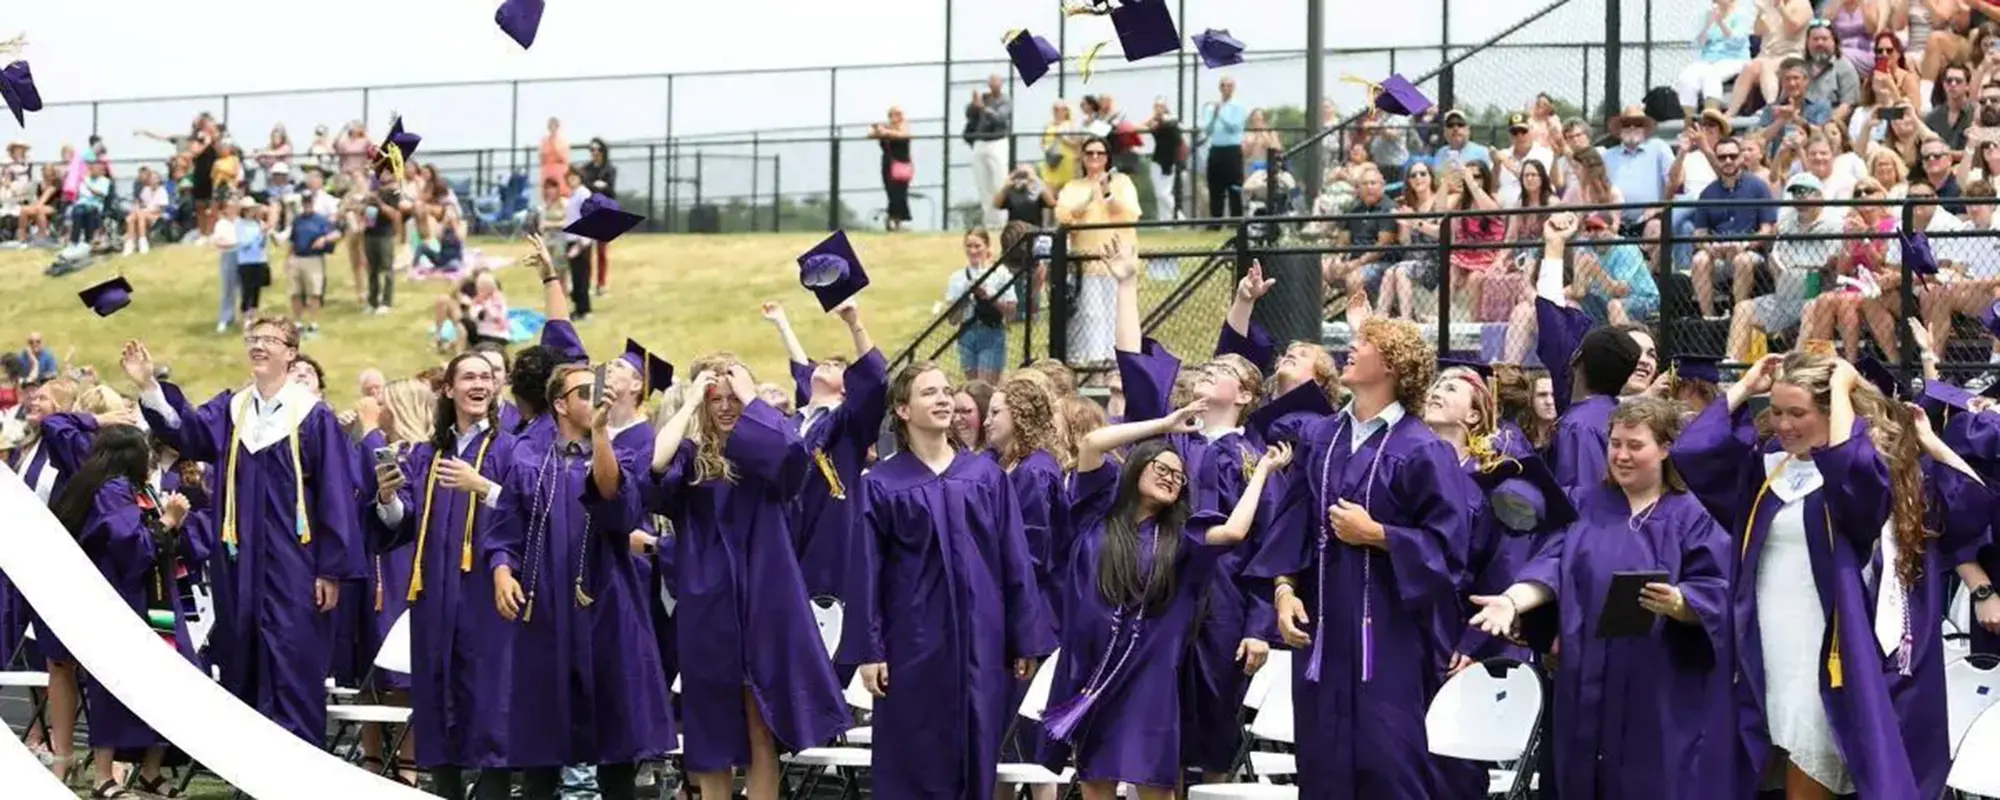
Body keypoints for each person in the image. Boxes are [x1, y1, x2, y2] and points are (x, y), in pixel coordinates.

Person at [1245, 316, 1484, 797]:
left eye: (1363, 343)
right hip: (1322, 638)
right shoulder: (1320, 438)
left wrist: (1380, 535)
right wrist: (1284, 590)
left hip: (1390, 640)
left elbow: (1449, 550)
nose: (1350, 349)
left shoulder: (1422, 449)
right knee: (1322, 766)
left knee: (1389, 764)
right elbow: (1292, 523)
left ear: (1393, 365)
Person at [1673, 351, 1929, 798]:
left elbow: (1851, 469)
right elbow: (1693, 453)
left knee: (1810, 764)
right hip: (1765, 645)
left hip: (1825, 651)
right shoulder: (1770, 469)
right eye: (1776, 411)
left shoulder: (1857, 475)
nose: (1784, 425)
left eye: (1798, 413)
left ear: (1829, 413)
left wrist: (1843, 391)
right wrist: (1747, 387)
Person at [1467, 397, 1733, 799]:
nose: (1621, 455)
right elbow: (1552, 564)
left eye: (1635, 445)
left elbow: (1717, 588)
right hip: (1584, 677)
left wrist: (1680, 602)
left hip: (1658, 684)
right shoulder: (1583, 504)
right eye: (1615, 443)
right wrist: (1512, 601)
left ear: (1665, 448)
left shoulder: (1691, 515)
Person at [121, 319, 363, 747]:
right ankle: (253, 766)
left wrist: (331, 570)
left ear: (291, 353)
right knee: (243, 650)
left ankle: (298, 768)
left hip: (296, 561)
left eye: (270, 340)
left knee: (291, 654)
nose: (258, 346)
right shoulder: (232, 409)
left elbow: (336, 497)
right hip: (239, 557)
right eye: (254, 339)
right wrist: (149, 388)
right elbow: (189, 434)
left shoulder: (313, 415)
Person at [646, 357, 848, 800]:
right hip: (708, 608)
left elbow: (793, 454)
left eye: (733, 398)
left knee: (761, 728)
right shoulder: (691, 460)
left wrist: (753, 397)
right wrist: (691, 399)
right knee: (710, 738)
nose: (725, 407)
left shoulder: (762, 459)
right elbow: (654, 465)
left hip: (762, 601)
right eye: (716, 399)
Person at [856, 361, 1055, 799]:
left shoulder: (984, 477)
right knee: (914, 754)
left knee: (977, 748)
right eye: (929, 393)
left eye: (947, 391)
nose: (944, 399)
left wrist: (1024, 637)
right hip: (913, 642)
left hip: (982, 642)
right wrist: (870, 650)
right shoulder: (882, 484)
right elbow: (866, 571)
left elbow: (1014, 560)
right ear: (903, 410)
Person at [479, 363, 668, 800]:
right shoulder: (528, 461)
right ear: (560, 404)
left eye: (599, 389)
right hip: (545, 611)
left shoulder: (618, 455)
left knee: (616, 750)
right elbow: (506, 532)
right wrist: (502, 571)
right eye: (585, 392)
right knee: (541, 751)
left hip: (608, 608)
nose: (596, 397)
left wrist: (601, 433)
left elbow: (616, 507)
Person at [50, 422, 212, 799]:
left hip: (157, 607)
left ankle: (151, 772)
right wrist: (169, 520)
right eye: (144, 448)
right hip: (123, 607)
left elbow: (164, 542)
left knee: (173, 684)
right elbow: (130, 548)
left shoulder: (140, 491)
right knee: (115, 688)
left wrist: (179, 522)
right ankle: (103, 777)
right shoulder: (111, 491)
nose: (150, 455)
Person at [760, 299, 886, 672]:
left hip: (825, 542)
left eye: (836, 366)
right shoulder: (790, 423)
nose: (824, 365)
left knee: (819, 647)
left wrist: (854, 322)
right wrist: (782, 323)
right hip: (779, 539)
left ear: (849, 389)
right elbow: (803, 373)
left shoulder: (847, 426)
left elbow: (876, 381)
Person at [1055, 137, 1140, 367]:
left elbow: (1130, 214)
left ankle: (1117, 358)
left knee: (1117, 310)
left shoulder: (1122, 182)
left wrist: (1107, 194)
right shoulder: (1073, 187)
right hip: (1087, 261)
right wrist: (1088, 200)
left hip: (1117, 260)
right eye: (1090, 153)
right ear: (1082, 158)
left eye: (1100, 154)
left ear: (1107, 157)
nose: (1094, 158)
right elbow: (1063, 216)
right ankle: (1095, 360)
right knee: (1091, 313)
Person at [945, 228, 1015, 385]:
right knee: (973, 386)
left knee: (985, 387)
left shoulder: (1000, 273)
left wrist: (989, 297)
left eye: (977, 246)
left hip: (991, 331)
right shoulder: (957, 277)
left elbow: (1011, 311)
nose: (973, 250)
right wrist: (965, 296)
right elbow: (952, 320)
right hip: (967, 333)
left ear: (987, 246)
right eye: (969, 246)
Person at [967, 75, 1014, 231]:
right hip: (980, 142)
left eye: (996, 82)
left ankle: (1001, 222)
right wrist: (974, 105)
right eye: (991, 82)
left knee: (998, 183)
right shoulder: (984, 98)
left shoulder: (1005, 100)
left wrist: (983, 108)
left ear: (1001, 84)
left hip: (997, 142)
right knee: (983, 184)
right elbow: (969, 115)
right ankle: (989, 222)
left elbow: (1000, 118)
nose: (993, 85)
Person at [1200, 77, 1249, 221]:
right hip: (1216, 149)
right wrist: (1214, 114)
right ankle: (1215, 221)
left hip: (1232, 150)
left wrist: (1220, 113)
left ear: (1233, 88)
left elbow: (1235, 126)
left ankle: (1235, 220)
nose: (1226, 88)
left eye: (1229, 85)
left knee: (1234, 186)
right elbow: (1207, 130)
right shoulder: (1211, 107)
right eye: (1223, 85)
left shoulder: (1238, 106)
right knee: (1215, 187)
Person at [870, 108, 914, 231]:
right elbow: (872, 135)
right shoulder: (886, 128)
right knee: (892, 193)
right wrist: (879, 130)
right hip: (888, 165)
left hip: (902, 165)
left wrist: (886, 131)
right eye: (895, 115)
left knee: (901, 194)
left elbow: (903, 135)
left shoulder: (904, 127)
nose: (898, 117)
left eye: (900, 114)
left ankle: (896, 222)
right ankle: (892, 221)